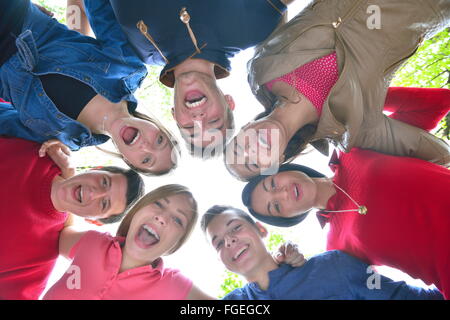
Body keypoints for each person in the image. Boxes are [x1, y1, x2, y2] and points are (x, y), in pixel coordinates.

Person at [225, 0, 450, 179]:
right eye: (253, 162)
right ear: (279, 160)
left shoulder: (262, 67)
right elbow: (440, 155)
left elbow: (273, 6)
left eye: (238, 146)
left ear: (245, 127)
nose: (250, 149)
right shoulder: (355, 129)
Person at [85, 0, 293, 157]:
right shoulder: (250, 29)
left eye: (190, 128)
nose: (198, 118)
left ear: (175, 115)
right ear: (229, 102)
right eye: (213, 121)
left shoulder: (132, 53)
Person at [0, 0, 179, 175]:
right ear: (156, 126)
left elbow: (4, 120)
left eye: (146, 159)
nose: (146, 146)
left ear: (127, 160)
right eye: (159, 140)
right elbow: (97, 5)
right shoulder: (127, 68)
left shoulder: (64, 139)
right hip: (13, 16)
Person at [0, 136, 145, 300]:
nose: (93, 192)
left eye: (104, 204)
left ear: (94, 221)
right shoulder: (39, 151)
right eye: (104, 182)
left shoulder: (39, 261)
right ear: (95, 168)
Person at [201, 206, 443, 300]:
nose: (229, 240)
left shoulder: (333, 266)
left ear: (261, 229)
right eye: (218, 243)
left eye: (236, 228)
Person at [43, 184, 216, 300]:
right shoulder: (93, 242)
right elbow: (63, 233)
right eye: (159, 204)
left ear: (176, 244)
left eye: (178, 220)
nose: (162, 218)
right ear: (137, 211)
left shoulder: (174, 286)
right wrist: (67, 177)